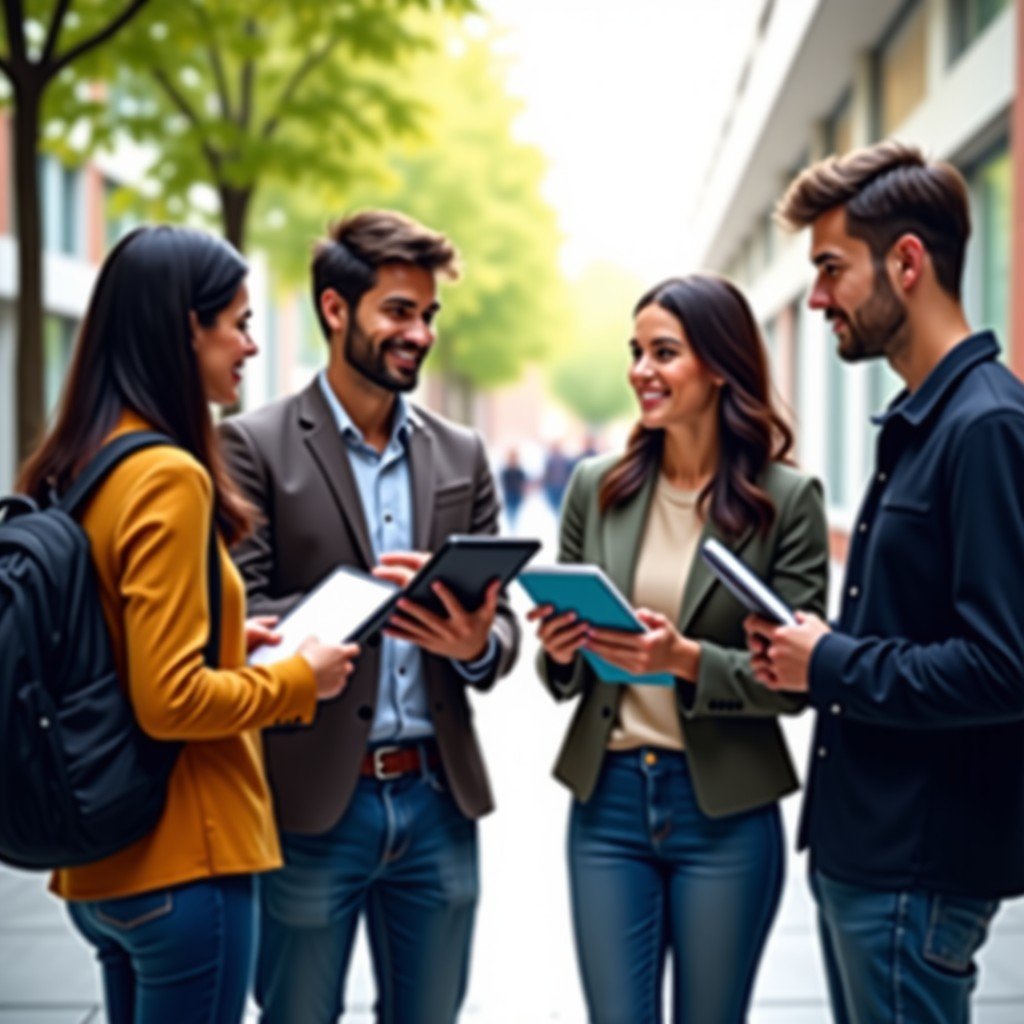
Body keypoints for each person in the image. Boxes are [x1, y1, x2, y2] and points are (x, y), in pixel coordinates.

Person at [15, 225, 357, 1024]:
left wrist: (228, 644)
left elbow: (106, 635)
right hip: (182, 862)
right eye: (236, 323)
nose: (248, 344)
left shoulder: (82, 463)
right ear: (184, 330)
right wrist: (297, 679)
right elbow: (169, 702)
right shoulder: (168, 476)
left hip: (102, 873)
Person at [746, 140, 1024, 1024]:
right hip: (871, 858)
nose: (818, 297)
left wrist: (827, 664)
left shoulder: (985, 430)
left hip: (917, 867)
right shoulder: (923, 421)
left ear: (907, 263)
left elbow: (1002, 665)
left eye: (831, 268)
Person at [220, 209, 520, 1024]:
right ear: (334, 309)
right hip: (313, 802)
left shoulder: (462, 454)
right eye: (398, 311)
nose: (418, 332)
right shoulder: (251, 444)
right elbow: (238, 611)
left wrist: (472, 644)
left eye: (427, 315)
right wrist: (366, 600)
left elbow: (502, 630)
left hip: (437, 800)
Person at [530, 274, 829, 1024]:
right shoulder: (596, 487)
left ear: (721, 365)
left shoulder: (785, 501)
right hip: (610, 804)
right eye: (636, 352)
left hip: (723, 809)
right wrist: (562, 650)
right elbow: (561, 677)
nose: (641, 370)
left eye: (664, 352)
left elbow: (800, 681)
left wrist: (685, 661)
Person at [498, 446, 529, 529]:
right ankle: (511, 526)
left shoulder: (520, 471)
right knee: (510, 513)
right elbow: (502, 484)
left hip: (517, 495)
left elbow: (524, 484)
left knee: (516, 513)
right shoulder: (505, 471)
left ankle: (514, 526)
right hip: (509, 495)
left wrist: (524, 493)